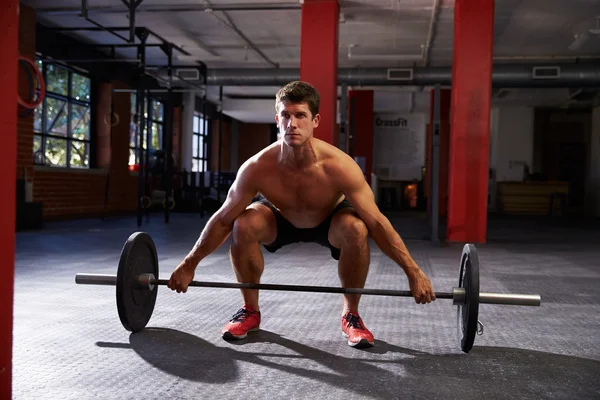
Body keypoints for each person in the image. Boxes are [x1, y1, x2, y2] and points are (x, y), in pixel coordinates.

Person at [168, 81, 436, 348]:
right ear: (277, 119)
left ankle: (351, 315)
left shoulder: (339, 166)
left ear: (315, 120)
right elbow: (223, 218)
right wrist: (190, 264)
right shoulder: (258, 167)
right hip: (279, 218)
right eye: (285, 115)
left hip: (329, 220)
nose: (292, 123)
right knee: (243, 222)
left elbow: (377, 221)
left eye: (300, 115)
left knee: (357, 228)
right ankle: (250, 311)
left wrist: (413, 272)